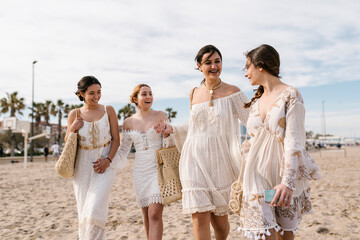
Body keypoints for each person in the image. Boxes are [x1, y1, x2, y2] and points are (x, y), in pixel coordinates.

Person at [154, 45, 249, 240]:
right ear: (199, 66)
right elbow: (193, 125)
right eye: (208, 63)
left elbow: (253, 122)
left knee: (220, 223)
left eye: (217, 61)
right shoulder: (194, 93)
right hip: (194, 158)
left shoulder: (234, 92)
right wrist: (171, 129)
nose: (213, 66)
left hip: (221, 160)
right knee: (199, 216)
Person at [239, 44, 321, 239]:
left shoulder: (291, 95)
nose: (245, 74)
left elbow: (294, 141)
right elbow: (250, 142)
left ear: (260, 66)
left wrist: (287, 183)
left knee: (285, 234)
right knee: (265, 232)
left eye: (247, 68)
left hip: (282, 178)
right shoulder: (256, 101)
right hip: (257, 177)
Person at [65, 76, 120, 240]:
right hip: (82, 167)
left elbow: (116, 139)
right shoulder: (74, 114)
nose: (96, 96)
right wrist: (72, 129)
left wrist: (107, 160)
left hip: (105, 164)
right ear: (82, 94)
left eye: (99, 92)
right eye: (91, 93)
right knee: (84, 210)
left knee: (95, 209)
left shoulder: (108, 110)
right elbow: (68, 142)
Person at [117, 84, 172, 240]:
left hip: (158, 169)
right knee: (146, 215)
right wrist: (108, 160)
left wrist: (166, 131)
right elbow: (123, 150)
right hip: (139, 172)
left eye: (150, 93)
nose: (148, 97)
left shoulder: (160, 115)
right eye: (144, 94)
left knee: (154, 213)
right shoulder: (128, 122)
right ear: (135, 99)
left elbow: (170, 142)